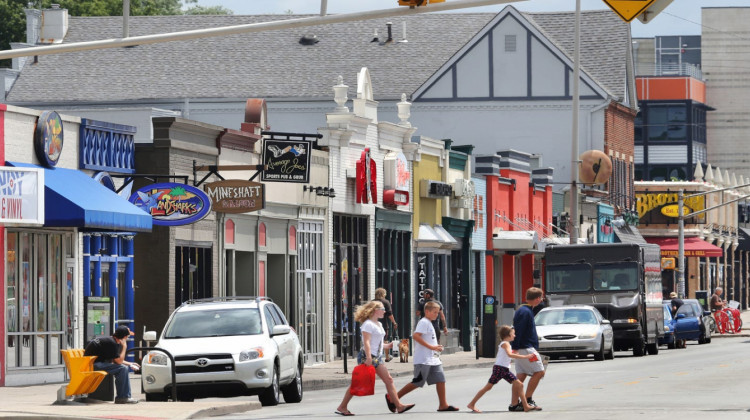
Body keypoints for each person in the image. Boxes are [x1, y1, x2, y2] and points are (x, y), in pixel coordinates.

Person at [335, 301, 415, 416]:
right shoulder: (368, 324)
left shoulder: (379, 324)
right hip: (367, 356)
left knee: (388, 380)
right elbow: (366, 342)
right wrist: (368, 357)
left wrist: (389, 345)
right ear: (374, 310)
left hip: (377, 357)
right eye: (382, 309)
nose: (384, 311)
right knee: (359, 382)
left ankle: (399, 406)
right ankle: (342, 406)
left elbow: (377, 343)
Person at [387, 301, 459, 413]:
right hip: (423, 359)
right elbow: (416, 336)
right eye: (434, 312)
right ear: (427, 311)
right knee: (417, 382)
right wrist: (432, 347)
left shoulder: (429, 322)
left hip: (433, 359)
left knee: (441, 379)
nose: (437, 315)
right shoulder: (424, 322)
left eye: (437, 312)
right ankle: (393, 398)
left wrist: (436, 347)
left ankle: (443, 405)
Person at [467, 325, 542, 413]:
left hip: (501, 369)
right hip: (501, 369)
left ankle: (471, 404)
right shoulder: (505, 344)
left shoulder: (506, 344)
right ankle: (526, 406)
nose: (515, 335)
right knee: (519, 385)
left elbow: (508, 354)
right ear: (508, 335)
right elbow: (510, 355)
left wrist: (514, 352)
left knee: (489, 387)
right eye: (513, 334)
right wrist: (526, 356)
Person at [83, 325, 140, 404]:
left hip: (91, 363)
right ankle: (123, 397)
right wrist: (124, 346)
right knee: (122, 369)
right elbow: (119, 362)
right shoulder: (112, 343)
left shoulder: (110, 341)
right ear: (123, 337)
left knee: (122, 368)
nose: (127, 338)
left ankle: (123, 396)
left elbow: (115, 360)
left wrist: (130, 364)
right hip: (92, 365)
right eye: (127, 336)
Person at [511, 287, 546, 409]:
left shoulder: (524, 310)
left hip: (523, 347)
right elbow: (518, 330)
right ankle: (528, 400)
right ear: (537, 299)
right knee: (540, 372)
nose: (541, 300)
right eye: (541, 298)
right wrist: (515, 347)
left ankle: (514, 404)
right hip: (526, 348)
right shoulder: (525, 312)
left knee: (521, 375)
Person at [374, 288, 398, 362]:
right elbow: (390, 314)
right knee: (385, 339)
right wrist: (394, 322)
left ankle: (375, 355)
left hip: (373, 322)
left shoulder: (372, 302)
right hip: (383, 323)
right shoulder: (386, 302)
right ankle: (387, 356)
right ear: (383, 294)